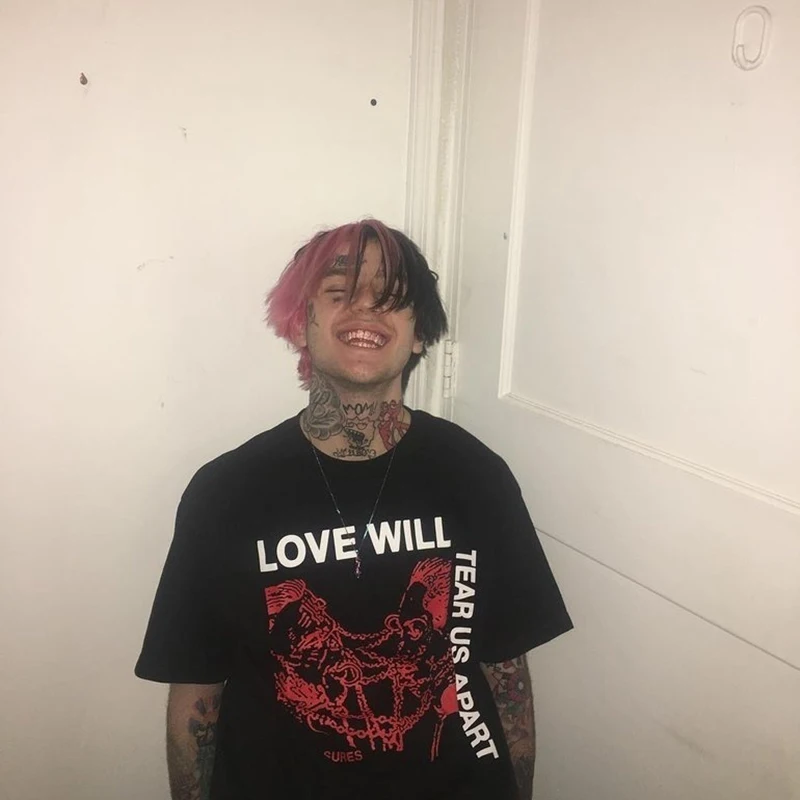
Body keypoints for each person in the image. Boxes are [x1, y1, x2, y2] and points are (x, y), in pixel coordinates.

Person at [135, 219, 573, 800]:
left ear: (419, 334)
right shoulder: (224, 493)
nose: (366, 305)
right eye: (339, 291)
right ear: (301, 322)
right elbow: (197, 692)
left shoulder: (476, 476)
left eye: (391, 296)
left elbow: (506, 672)